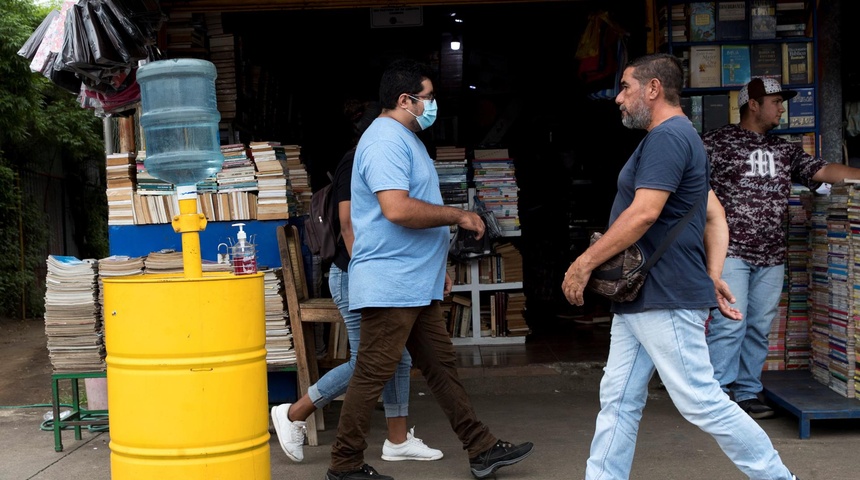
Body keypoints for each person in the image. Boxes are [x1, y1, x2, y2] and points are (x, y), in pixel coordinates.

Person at [562, 54, 799, 480]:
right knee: (618, 398)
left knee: (699, 399)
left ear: (653, 89)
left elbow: (644, 214)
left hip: (664, 295)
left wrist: (583, 264)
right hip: (643, 297)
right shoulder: (680, 137)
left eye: (626, 87)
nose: (618, 98)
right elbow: (714, 215)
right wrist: (711, 275)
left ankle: (779, 477)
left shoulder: (668, 138)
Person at [325, 58, 534, 480]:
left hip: (412, 282)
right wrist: (457, 216)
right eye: (429, 98)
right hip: (390, 283)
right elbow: (397, 209)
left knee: (440, 367)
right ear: (405, 100)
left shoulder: (406, 138)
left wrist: (436, 266)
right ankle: (344, 464)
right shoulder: (385, 141)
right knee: (371, 372)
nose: (433, 105)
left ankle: (481, 447)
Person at [271, 101, 443, 464]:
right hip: (355, 274)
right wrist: (365, 271)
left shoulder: (378, 154)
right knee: (369, 360)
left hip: (367, 273)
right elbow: (347, 223)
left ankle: (397, 441)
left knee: (395, 356)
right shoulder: (361, 157)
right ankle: (293, 413)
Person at [703, 76, 860, 419]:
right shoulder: (716, 142)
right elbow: (688, 183)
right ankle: (714, 397)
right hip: (730, 252)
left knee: (759, 326)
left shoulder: (785, 149)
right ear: (754, 104)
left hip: (772, 255)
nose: (781, 107)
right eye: (775, 101)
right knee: (730, 324)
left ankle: (746, 393)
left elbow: (823, 170)